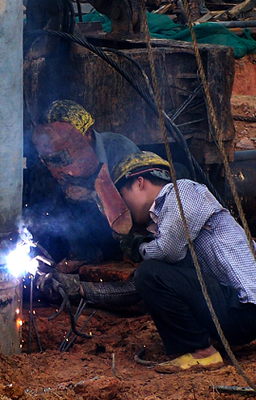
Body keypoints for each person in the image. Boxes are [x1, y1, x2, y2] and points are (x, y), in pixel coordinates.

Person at [39, 151, 256, 373]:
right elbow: (139, 289)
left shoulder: (183, 191)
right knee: (149, 274)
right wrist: (78, 289)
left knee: (149, 272)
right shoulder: (172, 225)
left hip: (244, 310)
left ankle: (202, 353)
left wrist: (137, 247)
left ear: (139, 182)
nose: (123, 209)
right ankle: (205, 346)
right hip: (234, 316)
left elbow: (164, 255)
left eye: (122, 197)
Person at [27, 100, 140, 263]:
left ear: (87, 134)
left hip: (124, 238)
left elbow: (139, 209)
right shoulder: (49, 160)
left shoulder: (119, 149)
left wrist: (93, 195)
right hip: (85, 243)